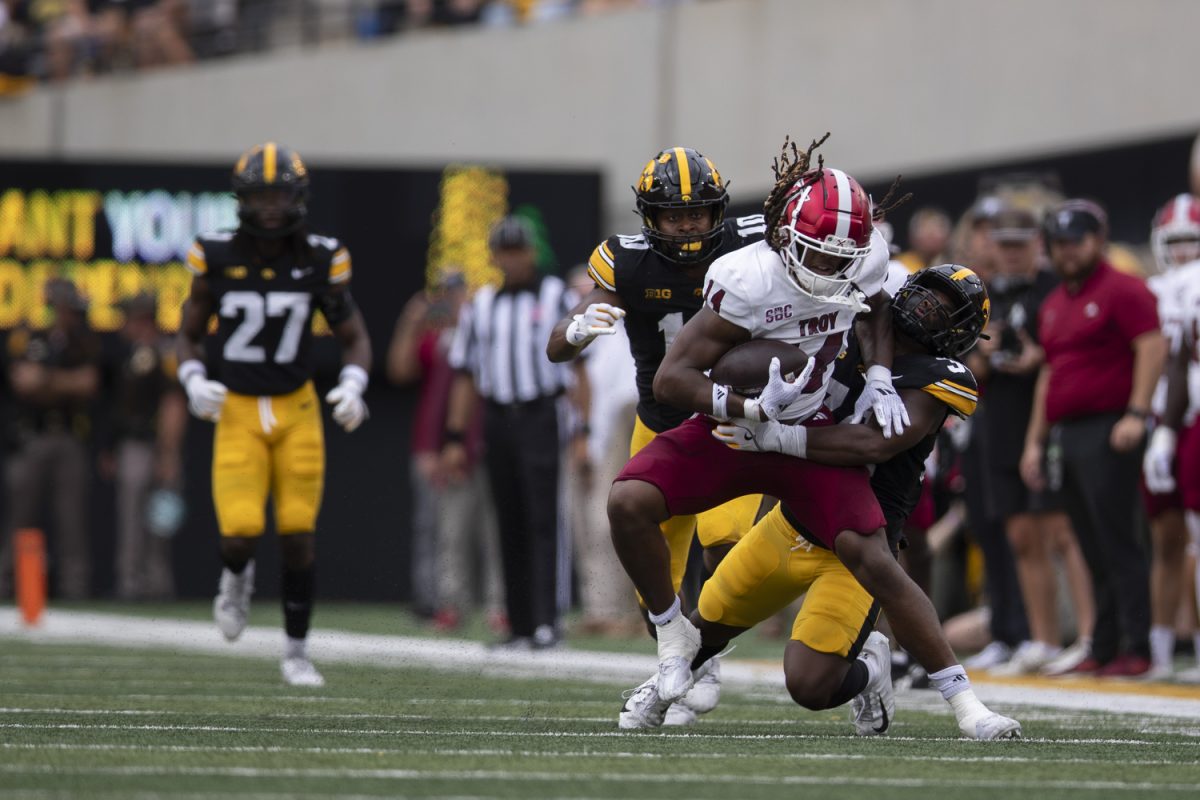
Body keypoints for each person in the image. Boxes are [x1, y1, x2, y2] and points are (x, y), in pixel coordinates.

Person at [606, 138, 912, 706]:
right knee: (634, 512)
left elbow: (876, 307)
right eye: (816, 252)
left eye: (842, 256)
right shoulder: (746, 275)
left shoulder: (861, 258)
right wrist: (746, 406)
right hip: (724, 418)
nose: (829, 267)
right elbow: (675, 378)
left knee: (756, 545)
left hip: (809, 431)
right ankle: (680, 651)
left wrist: (881, 376)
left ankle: (953, 692)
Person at [663, 265, 1018, 740]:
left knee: (809, 685)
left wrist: (775, 437)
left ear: (961, 332)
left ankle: (895, 678)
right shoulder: (850, 329)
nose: (927, 308)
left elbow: (872, 445)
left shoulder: (944, 377)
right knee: (702, 625)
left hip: (862, 538)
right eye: (925, 295)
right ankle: (654, 692)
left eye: (944, 307)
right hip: (796, 521)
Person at [546, 145, 770, 691]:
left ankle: (707, 655)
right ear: (651, 217)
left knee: (725, 544)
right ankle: (689, 656)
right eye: (675, 214)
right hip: (662, 422)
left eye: (697, 212)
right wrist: (576, 330)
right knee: (655, 589)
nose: (688, 224)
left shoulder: (754, 244)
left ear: (718, 210)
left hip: (728, 421)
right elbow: (558, 347)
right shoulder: (623, 261)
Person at [177, 142, 372, 687]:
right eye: (259, 195)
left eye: (278, 193)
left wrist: (354, 383)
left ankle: (296, 651)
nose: (269, 206)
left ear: (297, 197)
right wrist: (192, 378)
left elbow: (354, 336)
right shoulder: (213, 255)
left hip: (296, 407)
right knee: (239, 531)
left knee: (297, 532)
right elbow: (189, 335)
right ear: (241, 199)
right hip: (237, 406)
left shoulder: (319, 256)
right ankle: (235, 579)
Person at [1020, 199, 1166, 677]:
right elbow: (1049, 374)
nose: (1067, 252)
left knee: (1119, 538)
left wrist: (1137, 413)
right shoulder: (1054, 302)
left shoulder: (1123, 289)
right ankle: (1103, 644)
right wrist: (1035, 443)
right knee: (1088, 541)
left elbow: (1152, 345)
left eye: (1075, 241)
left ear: (1098, 241)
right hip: (1068, 432)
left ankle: (1137, 646)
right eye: (1059, 243)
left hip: (1111, 428)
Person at [443, 215, 586, 650]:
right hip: (498, 417)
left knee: (543, 518)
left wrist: (583, 430)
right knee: (508, 520)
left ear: (530, 253)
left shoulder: (555, 295)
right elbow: (466, 374)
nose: (511, 260)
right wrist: (454, 437)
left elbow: (580, 370)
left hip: (540, 413)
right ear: (495, 256)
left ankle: (548, 621)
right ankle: (519, 623)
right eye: (503, 252)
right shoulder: (481, 305)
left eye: (517, 251)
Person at [965, 206, 1094, 676]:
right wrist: (985, 349)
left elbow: (1060, 357)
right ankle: (1039, 639)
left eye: (1021, 244)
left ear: (1036, 244)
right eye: (1006, 245)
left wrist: (1036, 357)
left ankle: (1087, 635)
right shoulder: (987, 295)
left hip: (1044, 424)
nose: (1013, 254)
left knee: (1061, 532)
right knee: (1019, 536)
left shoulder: (1052, 288)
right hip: (999, 422)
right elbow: (975, 370)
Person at [387, 270, 503, 632]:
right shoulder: (438, 339)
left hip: (491, 441)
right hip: (448, 448)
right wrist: (411, 320)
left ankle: (501, 606)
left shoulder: (493, 335)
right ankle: (451, 603)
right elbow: (400, 370)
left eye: (460, 292)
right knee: (450, 531)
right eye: (448, 293)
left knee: (496, 530)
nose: (455, 301)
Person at [0, 279, 101, 600]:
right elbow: (23, 383)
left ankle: (75, 590)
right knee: (20, 516)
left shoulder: (83, 342)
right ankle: (6, 583)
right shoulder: (27, 337)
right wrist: (63, 383)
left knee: (72, 520)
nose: (73, 315)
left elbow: (87, 384)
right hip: (32, 438)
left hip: (69, 437)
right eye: (68, 308)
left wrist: (47, 380)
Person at [1141, 193, 1200, 682]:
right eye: (1175, 242)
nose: (1183, 252)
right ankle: (1160, 648)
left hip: (1188, 417)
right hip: (1163, 417)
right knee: (1166, 538)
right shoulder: (1154, 290)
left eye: (1191, 242)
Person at [106, 292, 187, 601]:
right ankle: (131, 584)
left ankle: (155, 585)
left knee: (158, 520)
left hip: (152, 446)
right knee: (133, 518)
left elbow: (174, 403)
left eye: (127, 316)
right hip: (133, 444)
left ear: (141, 318)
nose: (121, 323)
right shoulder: (133, 354)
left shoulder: (164, 352)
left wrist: (168, 453)